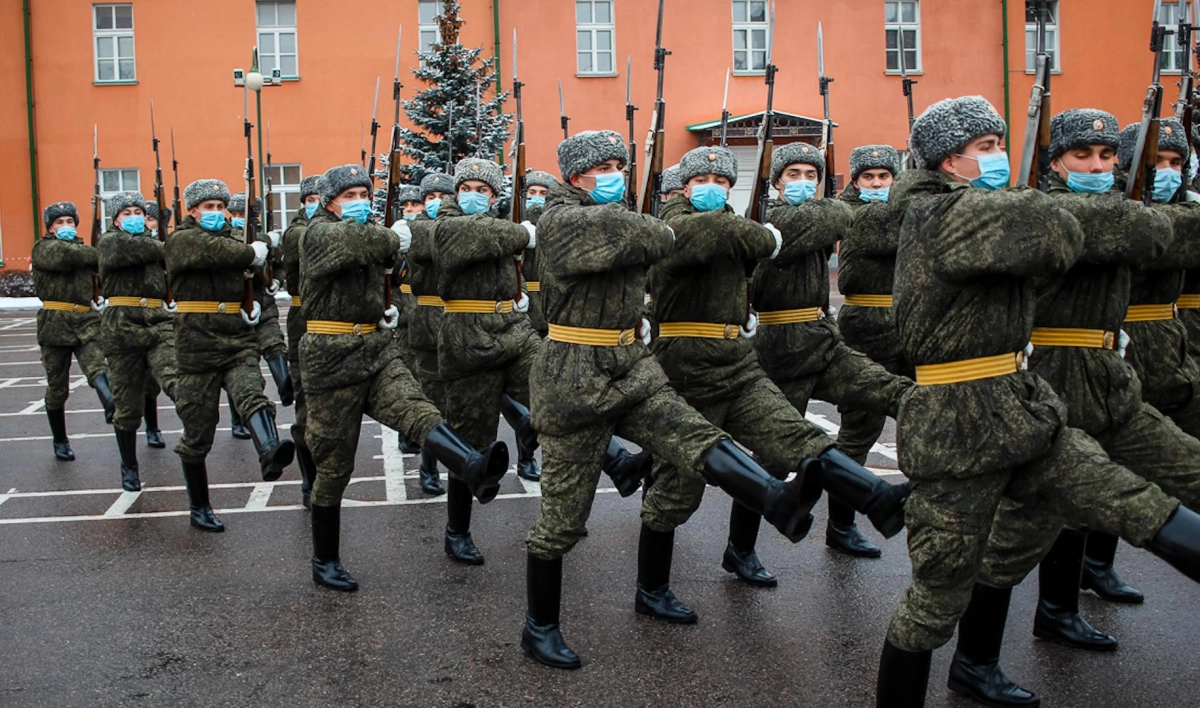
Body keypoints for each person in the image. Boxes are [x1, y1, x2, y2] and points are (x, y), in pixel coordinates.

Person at [874, 96, 1200, 707]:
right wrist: (1127, 217)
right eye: (988, 149)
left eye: (1002, 144)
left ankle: (982, 660)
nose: (999, 159)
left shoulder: (984, 208)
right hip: (957, 427)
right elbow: (1054, 230)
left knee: (1133, 500)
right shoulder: (942, 216)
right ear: (949, 161)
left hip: (1023, 407)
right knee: (936, 597)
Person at [522, 131, 856, 670]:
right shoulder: (560, 221)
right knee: (562, 518)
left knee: (692, 434)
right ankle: (539, 627)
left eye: (618, 164)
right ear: (571, 177)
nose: (613, 174)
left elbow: (658, 236)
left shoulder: (621, 218)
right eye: (600, 166)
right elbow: (655, 235)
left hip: (632, 363)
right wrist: (689, 228)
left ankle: (775, 498)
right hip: (573, 377)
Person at [641, 145, 908, 612]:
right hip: (700, 361)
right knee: (678, 486)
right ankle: (655, 586)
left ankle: (877, 498)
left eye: (723, 181)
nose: (713, 188)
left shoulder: (741, 226)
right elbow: (716, 234)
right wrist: (764, 231)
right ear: (684, 187)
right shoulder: (674, 225)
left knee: (794, 435)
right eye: (702, 180)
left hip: (756, 353)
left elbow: (821, 222)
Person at [298, 164, 509, 591]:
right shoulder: (317, 233)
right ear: (328, 201)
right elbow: (368, 243)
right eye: (350, 195)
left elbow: (386, 260)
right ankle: (325, 559)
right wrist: (396, 237)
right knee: (335, 466)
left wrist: (383, 303)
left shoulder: (368, 230)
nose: (359, 201)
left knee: (416, 410)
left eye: (364, 193)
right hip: (330, 357)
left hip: (376, 349)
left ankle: (471, 465)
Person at [749, 141, 913, 572]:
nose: (803, 183)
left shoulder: (822, 215)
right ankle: (741, 547)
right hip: (784, 344)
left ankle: (852, 518)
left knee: (894, 396)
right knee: (774, 452)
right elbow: (841, 220)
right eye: (793, 175)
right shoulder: (771, 220)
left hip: (823, 335)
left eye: (810, 175)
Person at [1076, 118, 1200, 604]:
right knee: (1108, 464)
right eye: (1158, 163)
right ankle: (1094, 564)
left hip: (1173, 345)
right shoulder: (1121, 215)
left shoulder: (1182, 210)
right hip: (1122, 343)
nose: (1166, 173)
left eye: (1176, 164)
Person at [164, 179, 293, 532]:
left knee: (252, 393)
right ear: (192, 211)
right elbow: (226, 253)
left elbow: (259, 263)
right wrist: (252, 251)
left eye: (222, 207)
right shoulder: (182, 240)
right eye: (209, 207)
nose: (218, 213)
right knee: (198, 429)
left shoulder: (234, 239)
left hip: (235, 336)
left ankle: (269, 449)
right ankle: (199, 506)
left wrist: (250, 300)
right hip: (197, 344)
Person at [834, 146, 913, 556]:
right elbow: (893, 231)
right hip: (866, 324)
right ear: (856, 181)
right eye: (870, 178)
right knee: (860, 429)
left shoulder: (902, 205)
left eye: (886, 177)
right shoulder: (855, 214)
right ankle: (841, 523)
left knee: (921, 418)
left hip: (908, 324)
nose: (879, 184)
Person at [96, 192, 179, 491]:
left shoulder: (155, 246)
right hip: (122, 328)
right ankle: (129, 465)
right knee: (128, 405)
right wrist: (168, 242)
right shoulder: (111, 242)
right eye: (127, 212)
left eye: (139, 212)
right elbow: (144, 249)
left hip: (157, 323)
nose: (134, 217)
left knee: (172, 376)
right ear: (116, 219)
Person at [31, 201, 113, 461]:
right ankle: (60, 440)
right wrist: (96, 253)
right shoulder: (44, 248)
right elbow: (72, 256)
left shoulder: (84, 251)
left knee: (97, 366)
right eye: (60, 222)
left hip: (85, 319)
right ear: (50, 228)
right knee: (58, 387)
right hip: (55, 322)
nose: (65, 226)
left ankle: (110, 402)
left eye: (70, 221)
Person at [407, 173, 456, 496]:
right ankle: (428, 467)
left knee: (459, 406)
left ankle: (462, 463)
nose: (436, 201)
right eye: (430, 196)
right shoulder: (414, 229)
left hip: (459, 320)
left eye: (443, 195)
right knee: (433, 403)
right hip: (428, 322)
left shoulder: (459, 224)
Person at [282, 174, 322, 508]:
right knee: (306, 407)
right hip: (304, 322)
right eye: (312, 200)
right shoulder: (296, 232)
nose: (318, 205)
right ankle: (309, 481)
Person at [521, 170, 559, 339]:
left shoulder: (558, 224)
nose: (537, 197)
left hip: (549, 305)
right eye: (532, 192)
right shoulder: (511, 221)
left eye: (543, 193)